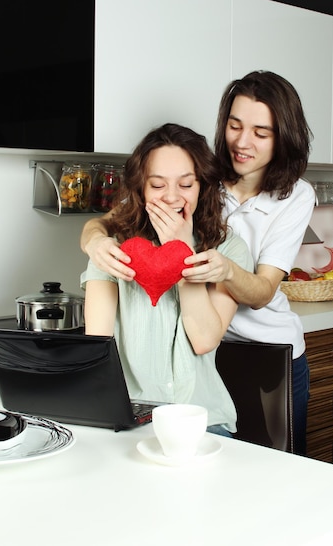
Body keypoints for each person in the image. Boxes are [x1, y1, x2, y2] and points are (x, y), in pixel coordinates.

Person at [80, 71, 315, 454]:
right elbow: (111, 223)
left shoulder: (294, 197)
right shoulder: (199, 169)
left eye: (261, 132)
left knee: (280, 466)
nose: (242, 141)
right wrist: (93, 240)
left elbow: (260, 292)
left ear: (282, 137)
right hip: (204, 356)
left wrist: (199, 259)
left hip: (262, 346)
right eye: (235, 126)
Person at [81, 122, 253, 437]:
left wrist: (181, 252)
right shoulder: (112, 247)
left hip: (202, 418)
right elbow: (98, 348)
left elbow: (204, 340)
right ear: (141, 188)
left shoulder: (228, 249)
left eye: (186, 185)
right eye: (157, 185)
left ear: (203, 187)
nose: (171, 198)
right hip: (127, 415)